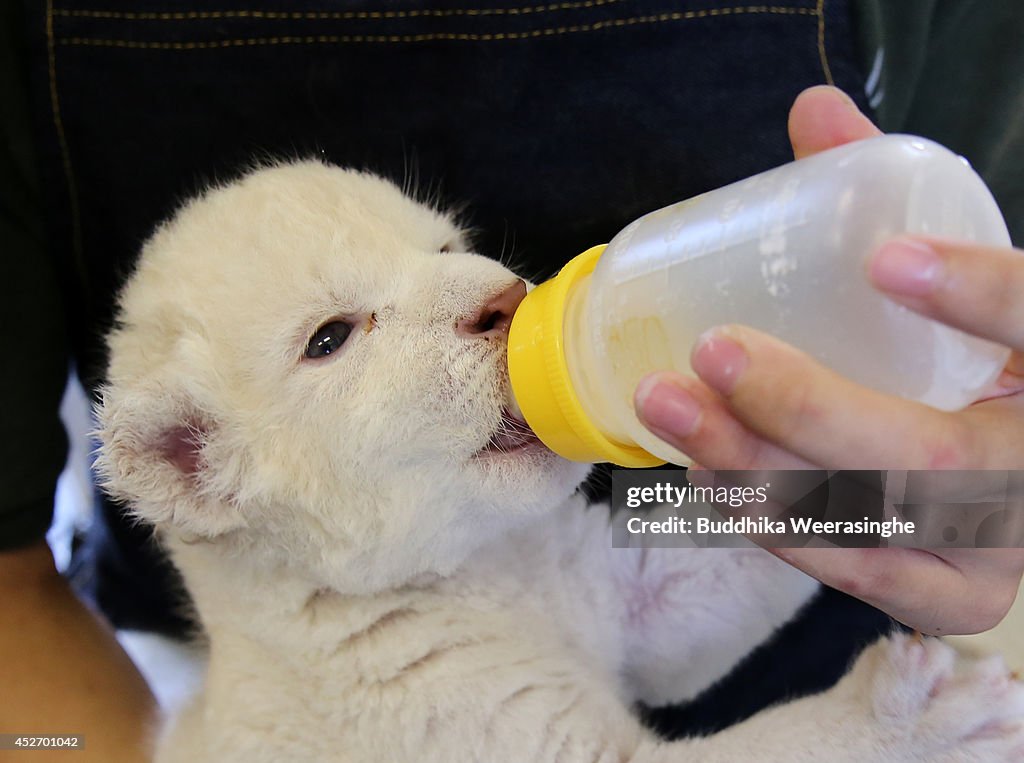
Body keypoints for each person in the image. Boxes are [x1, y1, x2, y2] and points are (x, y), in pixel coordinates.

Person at [2, 0, 1022, 760]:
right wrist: (871, 731)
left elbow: (697, 568)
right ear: (195, 465)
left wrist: (948, 484)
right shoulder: (365, 686)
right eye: (331, 336)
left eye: (441, 246)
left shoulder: (490, 534)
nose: (485, 289)